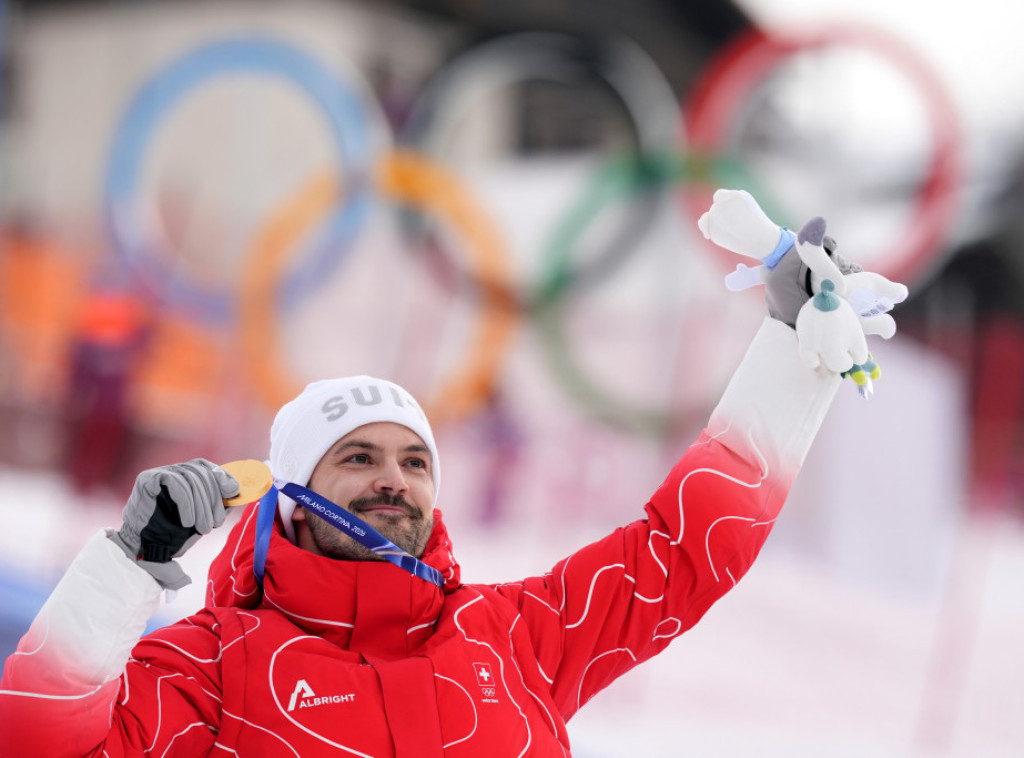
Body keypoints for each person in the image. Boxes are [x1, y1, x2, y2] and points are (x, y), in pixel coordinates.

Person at [0, 190, 902, 757]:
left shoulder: (517, 639)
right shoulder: (212, 666)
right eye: (357, 457)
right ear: (293, 500)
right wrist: (127, 563)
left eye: (414, 460)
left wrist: (791, 353)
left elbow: (683, 553)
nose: (394, 478)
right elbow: (39, 746)